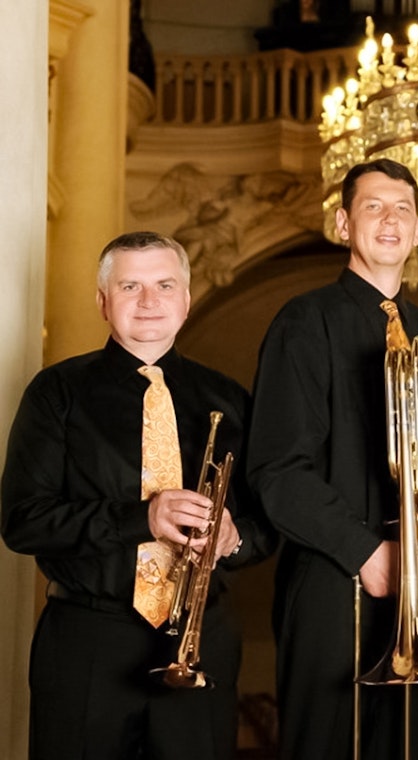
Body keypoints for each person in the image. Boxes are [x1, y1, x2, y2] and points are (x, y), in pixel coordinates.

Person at [1, 231, 275, 759]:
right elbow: (23, 521)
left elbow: (267, 523)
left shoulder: (229, 398)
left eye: (164, 285)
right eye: (130, 286)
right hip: (88, 638)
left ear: (186, 300)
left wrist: (234, 540)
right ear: (104, 301)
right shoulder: (56, 392)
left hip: (203, 636)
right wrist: (142, 519)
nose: (149, 302)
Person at [245, 158, 418, 760]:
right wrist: (366, 554)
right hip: (334, 581)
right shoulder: (304, 321)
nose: (390, 219)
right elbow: (275, 469)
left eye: (403, 208)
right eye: (373, 206)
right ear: (344, 224)